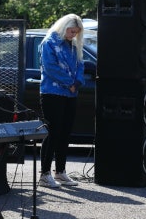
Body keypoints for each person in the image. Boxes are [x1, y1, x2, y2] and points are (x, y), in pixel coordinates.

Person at [38, 14, 85, 188]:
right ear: (64, 26)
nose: (73, 35)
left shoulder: (73, 45)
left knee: (65, 132)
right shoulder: (49, 42)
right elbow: (50, 67)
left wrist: (77, 82)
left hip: (70, 94)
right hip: (51, 92)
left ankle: (60, 171)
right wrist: (69, 83)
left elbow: (81, 64)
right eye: (71, 31)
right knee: (53, 132)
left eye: (76, 32)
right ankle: (44, 174)